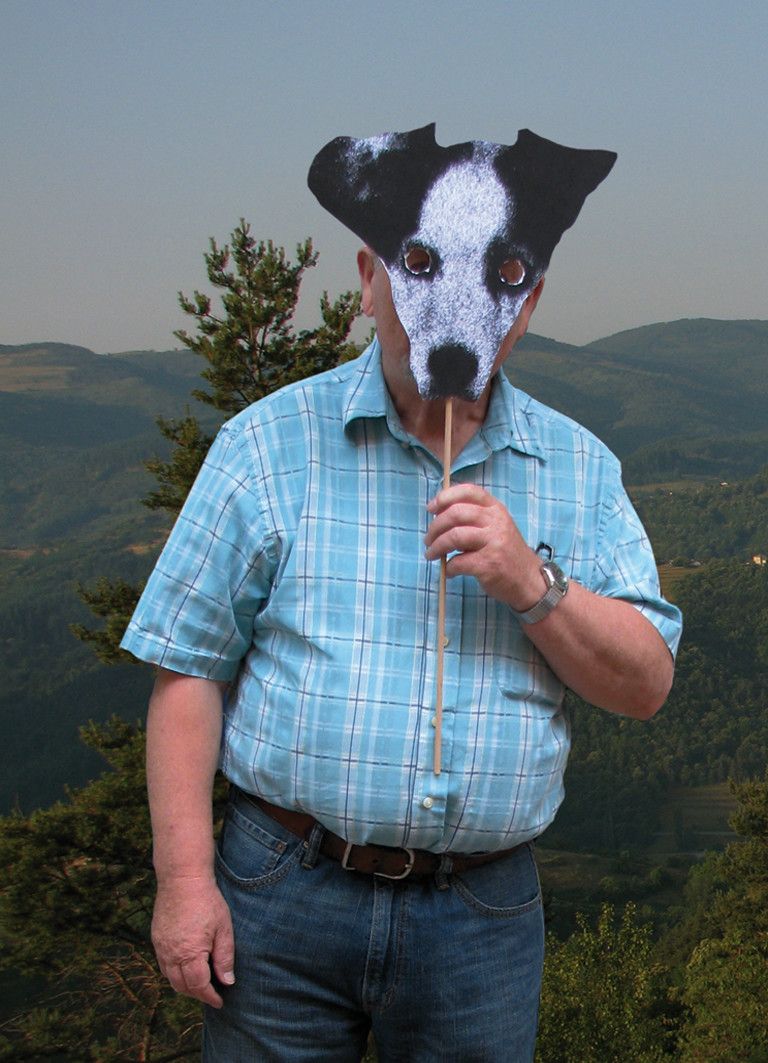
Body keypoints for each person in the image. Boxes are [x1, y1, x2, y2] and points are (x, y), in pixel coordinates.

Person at [121, 242, 681, 1061]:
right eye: (421, 267)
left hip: (480, 915)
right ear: (367, 279)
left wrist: (533, 583)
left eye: (492, 279)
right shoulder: (267, 442)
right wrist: (183, 882)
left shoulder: (581, 469)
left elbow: (646, 684)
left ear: (525, 307)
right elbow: (188, 668)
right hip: (280, 892)